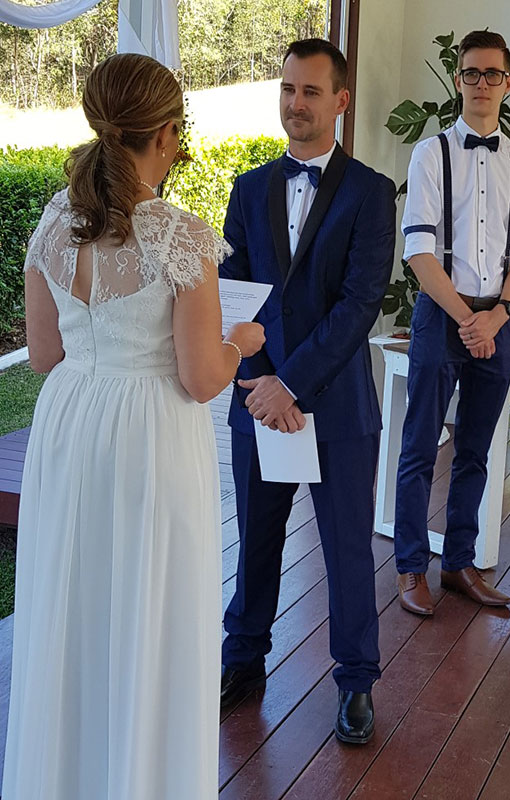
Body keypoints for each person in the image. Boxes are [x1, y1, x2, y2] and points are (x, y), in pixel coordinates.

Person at [2, 53, 264, 800]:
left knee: (72, 606)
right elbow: (201, 376)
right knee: (150, 615)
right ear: (169, 132)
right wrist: (242, 341)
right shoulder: (179, 236)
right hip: (149, 434)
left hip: (70, 427)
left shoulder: (55, 217)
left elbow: (46, 353)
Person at [218, 38, 395, 745]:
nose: (296, 104)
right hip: (259, 400)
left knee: (347, 550)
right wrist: (259, 384)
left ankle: (356, 683)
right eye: (288, 89)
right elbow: (233, 299)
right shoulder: (247, 187)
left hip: (337, 407)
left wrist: (290, 381)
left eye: (311, 92)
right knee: (256, 542)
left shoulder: (372, 193)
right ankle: (243, 661)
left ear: (340, 101)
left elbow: (359, 306)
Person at [393, 30, 510, 616]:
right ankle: (410, 567)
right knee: (419, 449)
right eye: (472, 73)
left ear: (507, 84)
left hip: (496, 317)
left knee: (476, 450)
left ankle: (457, 563)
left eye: (493, 75)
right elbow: (419, 253)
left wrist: (497, 315)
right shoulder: (431, 154)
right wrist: (466, 319)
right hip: (441, 314)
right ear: (459, 80)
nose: (482, 84)